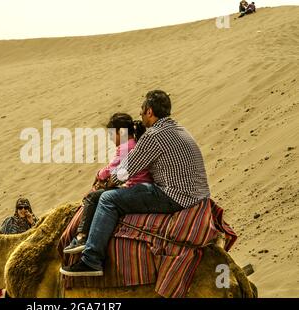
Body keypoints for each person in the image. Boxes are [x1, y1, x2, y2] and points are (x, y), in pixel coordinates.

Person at [60, 90, 210, 276]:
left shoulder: (153, 135)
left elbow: (126, 170)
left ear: (149, 111)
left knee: (108, 199)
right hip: (196, 193)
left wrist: (107, 183)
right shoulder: (179, 129)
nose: (139, 114)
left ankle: (91, 260)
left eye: (142, 110)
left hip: (174, 195)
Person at [63, 113, 152, 254]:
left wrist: (99, 174)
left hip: (134, 187)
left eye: (112, 133)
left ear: (121, 132)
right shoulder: (133, 144)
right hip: (137, 185)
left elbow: (111, 170)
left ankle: (81, 237)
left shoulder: (126, 148)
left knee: (93, 198)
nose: (110, 137)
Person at [0, 197, 38, 297]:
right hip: (11, 259)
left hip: (28, 262)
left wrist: (32, 222)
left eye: (25, 207)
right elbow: (0, 239)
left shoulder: (35, 221)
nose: (23, 210)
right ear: (16, 209)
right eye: (20, 207)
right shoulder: (9, 222)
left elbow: (40, 237)